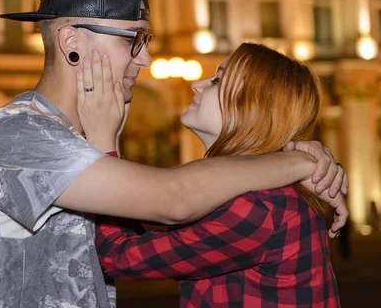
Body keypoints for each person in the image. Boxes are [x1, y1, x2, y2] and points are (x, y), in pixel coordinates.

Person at [0, 0, 347, 308]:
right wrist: (297, 159)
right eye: (134, 40)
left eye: (147, 39)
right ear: (72, 43)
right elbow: (173, 200)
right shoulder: (17, 136)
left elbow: (147, 239)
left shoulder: (72, 140)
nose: (147, 58)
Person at [82, 43, 341, 307]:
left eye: (218, 80)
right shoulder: (256, 197)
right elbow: (155, 239)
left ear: (252, 109)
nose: (197, 84)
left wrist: (101, 141)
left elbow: (116, 257)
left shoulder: (257, 207)